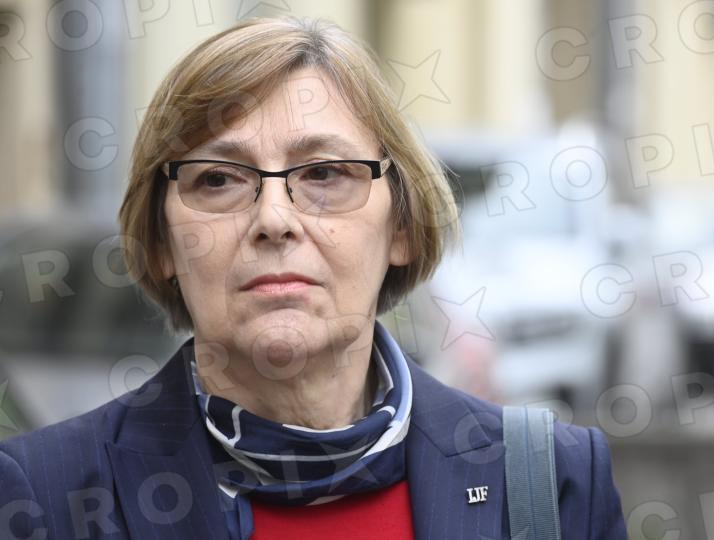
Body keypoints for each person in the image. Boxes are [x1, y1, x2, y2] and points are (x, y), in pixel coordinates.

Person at [0, 16, 627, 539]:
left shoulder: (550, 481)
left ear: (401, 227)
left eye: (325, 173)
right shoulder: (46, 496)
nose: (274, 219)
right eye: (218, 179)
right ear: (161, 242)